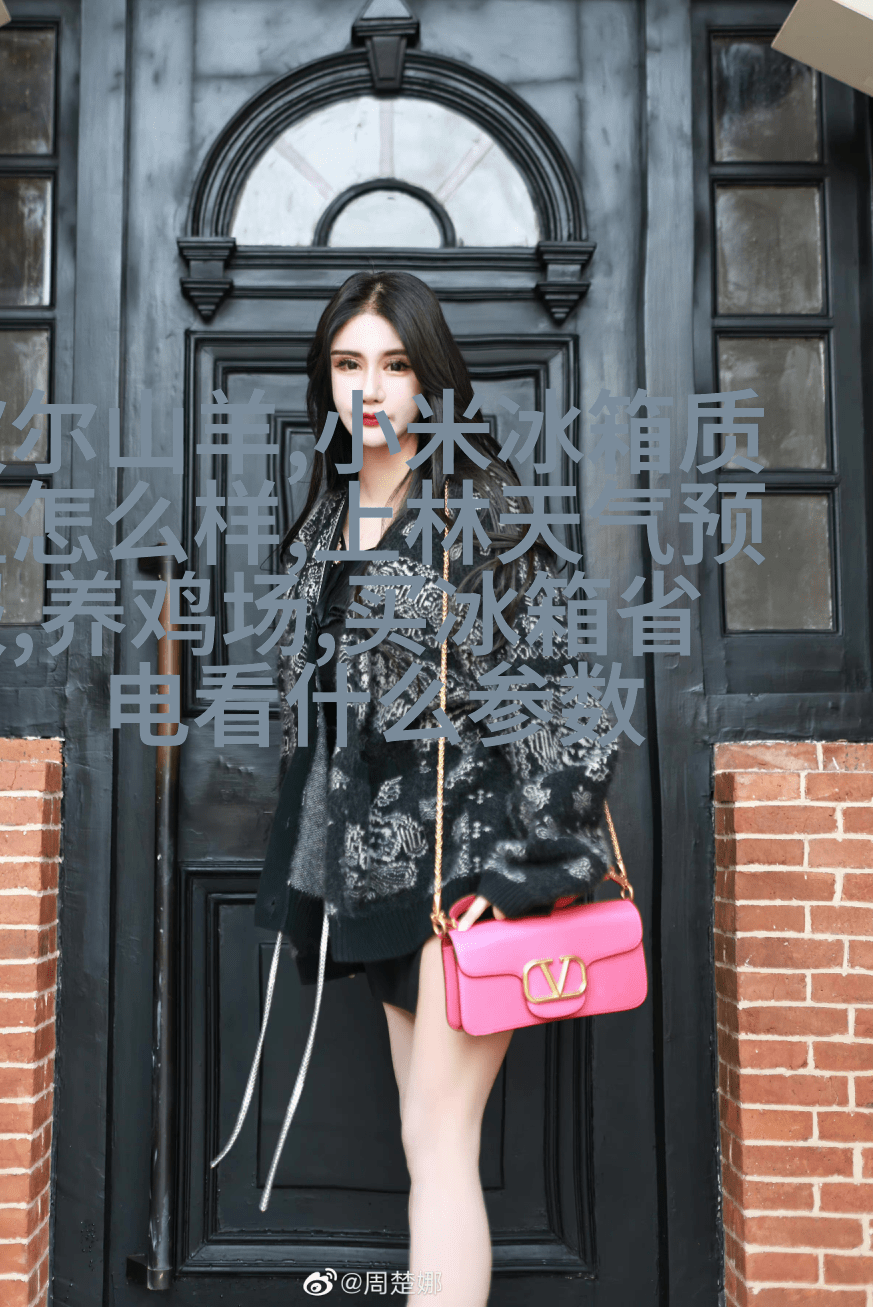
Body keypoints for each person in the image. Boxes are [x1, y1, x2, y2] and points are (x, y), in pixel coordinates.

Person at [213, 270, 617, 1307]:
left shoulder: (485, 510)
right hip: (378, 876)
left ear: (431, 379)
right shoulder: (327, 517)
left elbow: (572, 706)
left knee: (438, 1140)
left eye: (394, 364)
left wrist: (515, 874)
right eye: (348, 364)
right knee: (422, 1136)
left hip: (465, 869)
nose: (370, 388)